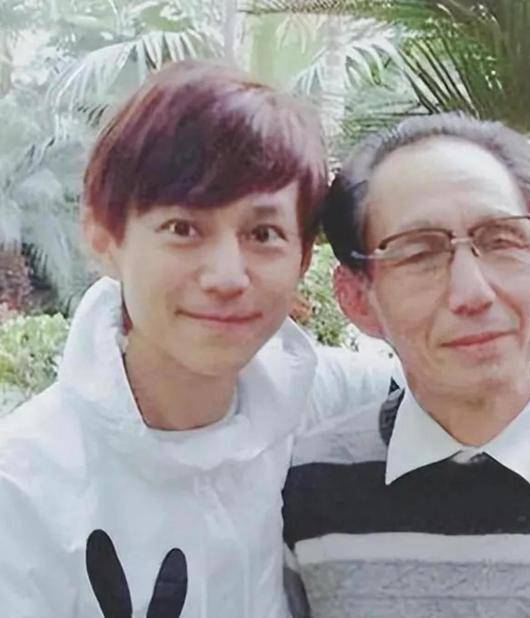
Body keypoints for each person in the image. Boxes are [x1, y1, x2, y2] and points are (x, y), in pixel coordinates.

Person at [0, 60, 393, 617]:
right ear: (104, 237)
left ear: (304, 258)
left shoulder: (317, 399)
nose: (227, 277)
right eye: (183, 229)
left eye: (263, 233)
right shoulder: (23, 486)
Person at [283, 113, 530, 617]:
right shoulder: (308, 488)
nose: (473, 293)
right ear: (357, 299)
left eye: (501, 240)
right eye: (419, 253)